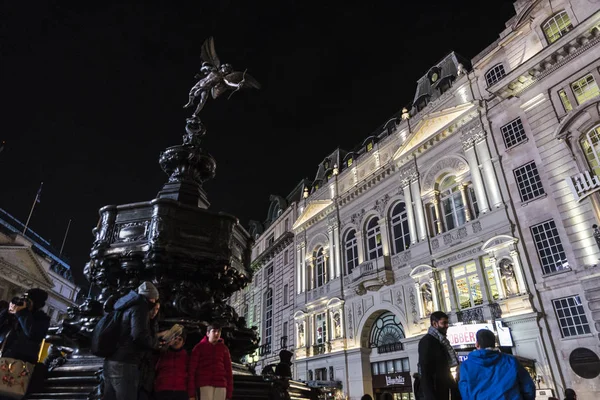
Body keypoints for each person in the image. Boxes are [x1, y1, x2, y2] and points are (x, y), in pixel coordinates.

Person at [103, 281, 161, 400]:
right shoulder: (140, 307)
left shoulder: (125, 306)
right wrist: (156, 343)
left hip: (112, 360)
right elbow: (139, 336)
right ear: (150, 298)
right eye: (154, 299)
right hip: (126, 362)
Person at [0, 288, 50, 400]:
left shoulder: (41, 319)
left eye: (28, 301)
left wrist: (22, 313)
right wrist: (7, 313)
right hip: (3, 360)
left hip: (20, 367)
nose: (24, 303)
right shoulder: (14, 316)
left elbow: (32, 333)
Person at [458, 329, 535, 400]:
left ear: (477, 344)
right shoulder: (511, 361)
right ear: (494, 344)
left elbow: (465, 392)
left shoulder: (465, 366)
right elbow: (528, 387)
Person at [418, 311, 459, 400]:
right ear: (434, 324)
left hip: (443, 388)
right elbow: (425, 371)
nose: (446, 326)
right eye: (444, 323)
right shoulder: (427, 342)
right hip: (436, 391)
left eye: (447, 323)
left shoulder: (442, 341)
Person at [188, 322, 233, 400]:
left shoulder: (224, 349)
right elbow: (192, 370)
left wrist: (229, 393)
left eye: (219, 331)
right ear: (208, 333)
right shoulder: (199, 348)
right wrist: (191, 392)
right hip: (204, 384)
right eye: (214, 331)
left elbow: (228, 371)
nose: (217, 333)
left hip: (220, 385)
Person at [154, 329, 189, 400]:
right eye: (175, 338)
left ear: (183, 343)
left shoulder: (186, 356)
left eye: (180, 339)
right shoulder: (162, 352)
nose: (177, 341)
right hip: (163, 390)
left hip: (181, 391)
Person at [139, 300, 161, 400]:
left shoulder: (153, 323)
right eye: (152, 309)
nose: (154, 312)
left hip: (148, 366)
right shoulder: (142, 322)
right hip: (140, 366)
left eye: (157, 309)